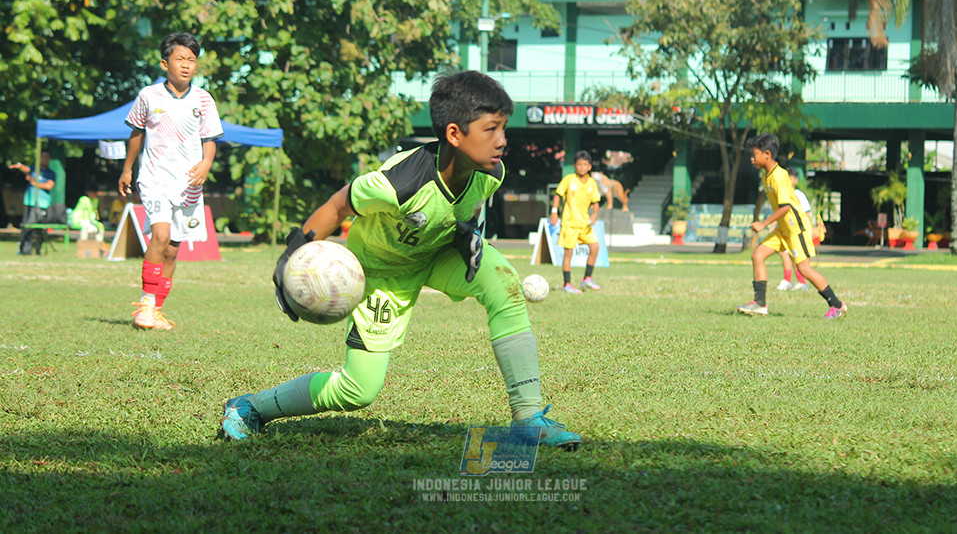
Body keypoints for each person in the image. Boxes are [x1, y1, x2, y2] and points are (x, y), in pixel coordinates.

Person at [218, 70, 581, 450]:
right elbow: (338, 204)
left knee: (504, 284)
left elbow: (466, 210)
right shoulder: (398, 184)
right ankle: (251, 407)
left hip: (439, 252)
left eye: (504, 128)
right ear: (455, 134)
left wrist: (468, 234)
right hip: (380, 273)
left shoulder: (492, 173)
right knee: (357, 390)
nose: (502, 141)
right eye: (491, 129)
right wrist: (291, 256)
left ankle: (528, 420)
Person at [118, 33, 222, 331]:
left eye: (191, 60)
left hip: (188, 184)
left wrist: (206, 164)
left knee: (174, 249)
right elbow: (136, 134)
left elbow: (210, 138)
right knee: (160, 237)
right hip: (154, 179)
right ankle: (145, 305)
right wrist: (127, 170)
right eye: (180, 59)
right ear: (165, 63)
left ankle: (157, 310)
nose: (186, 65)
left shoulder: (203, 99)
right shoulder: (148, 96)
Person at [738, 133, 847, 319]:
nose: (751, 158)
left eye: (754, 154)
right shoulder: (767, 176)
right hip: (783, 228)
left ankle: (837, 305)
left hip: (796, 228)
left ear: (767, 154)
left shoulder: (779, 176)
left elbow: (786, 207)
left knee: (803, 269)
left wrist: (764, 223)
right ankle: (760, 304)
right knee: (758, 255)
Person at [550, 150, 602, 294]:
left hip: (584, 224)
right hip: (569, 223)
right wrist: (554, 213)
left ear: (590, 167)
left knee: (595, 248)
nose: (582, 167)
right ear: (574, 166)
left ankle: (587, 279)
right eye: (579, 164)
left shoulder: (592, 183)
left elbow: (596, 201)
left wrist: (595, 214)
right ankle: (567, 284)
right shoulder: (569, 179)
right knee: (568, 253)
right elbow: (558, 195)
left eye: (585, 164)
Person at [776, 171, 821, 292]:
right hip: (785, 230)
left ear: (795, 180)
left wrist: (810, 230)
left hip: (797, 231)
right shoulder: (783, 194)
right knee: (784, 254)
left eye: (790, 179)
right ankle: (787, 280)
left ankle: (802, 282)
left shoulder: (799, 195)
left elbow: (806, 214)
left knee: (797, 257)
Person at [8, 151, 56, 255]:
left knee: (40, 229)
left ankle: (38, 249)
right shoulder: (34, 169)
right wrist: (19, 166)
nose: (45, 159)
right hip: (30, 202)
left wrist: (35, 183)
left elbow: (49, 186)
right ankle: (23, 249)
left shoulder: (51, 173)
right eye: (43, 157)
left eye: (47, 157)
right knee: (26, 226)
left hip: (43, 204)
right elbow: (26, 169)